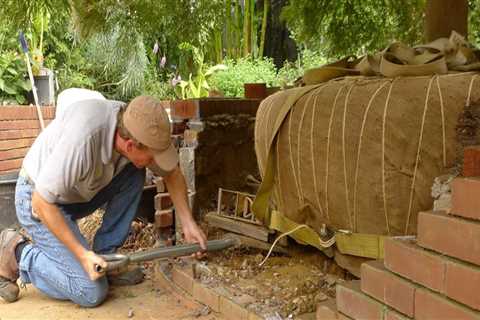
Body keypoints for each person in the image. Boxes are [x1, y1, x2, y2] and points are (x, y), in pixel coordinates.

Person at [0, 92, 207, 307]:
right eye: (154, 157)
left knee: (135, 172)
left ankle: (105, 257)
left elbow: (172, 173)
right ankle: (18, 253)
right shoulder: (82, 138)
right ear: (130, 146)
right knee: (90, 292)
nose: (156, 162)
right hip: (37, 201)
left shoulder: (136, 124)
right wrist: (82, 255)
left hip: (73, 193)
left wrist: (188, 224)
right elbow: (41, 202)